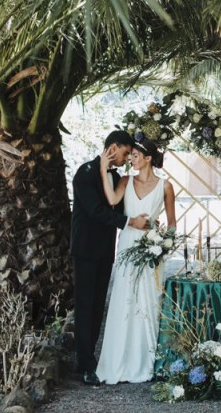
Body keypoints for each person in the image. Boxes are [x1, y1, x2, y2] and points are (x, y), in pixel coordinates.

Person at [70, 130, 151, 386]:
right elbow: (96, 211)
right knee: (85, 306)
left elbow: (119, 204)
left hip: (105, 251)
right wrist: (129, 223)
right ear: (113, 148)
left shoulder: (114, 176)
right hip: (85, 250)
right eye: (126, 153)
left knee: (97, 307)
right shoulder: (85, 173)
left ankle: (90, 357)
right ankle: (84, 363)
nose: (128, 159)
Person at [96, 135, 176, 384]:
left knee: (148, 304)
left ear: (148, 158)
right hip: (128, 245)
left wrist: (164, 244)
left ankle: (145, 363)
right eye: (130, 155)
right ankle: (118, 363)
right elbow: (111, 200)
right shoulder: (125, 180)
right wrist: (102, 167)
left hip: (152, 250)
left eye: (136, 155)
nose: (131, 158)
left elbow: (172, 223)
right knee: (124, 301)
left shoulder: (165, 186)